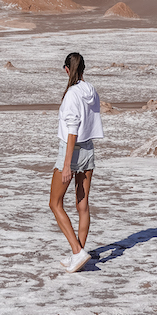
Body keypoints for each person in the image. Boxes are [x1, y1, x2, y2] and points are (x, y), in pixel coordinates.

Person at [50, 51, 104, 273]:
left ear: (66, 70)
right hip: (88, 149)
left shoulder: (72, 94)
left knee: (55, 203)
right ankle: (78, 253)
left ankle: (76, 251)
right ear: (83, 69)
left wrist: (66, 165)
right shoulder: (91, 91)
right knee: (82, 205)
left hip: (71, 152)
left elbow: (72, 130)